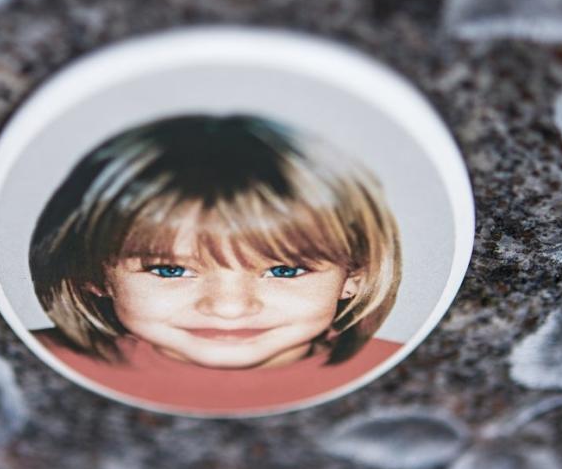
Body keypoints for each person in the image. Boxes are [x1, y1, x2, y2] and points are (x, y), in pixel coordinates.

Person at [27, 114, 403, 414]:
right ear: (94, 273)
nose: (229, 307)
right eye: (170, 270)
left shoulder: (401, 377)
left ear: (355, 274)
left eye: (285, 270)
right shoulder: (31, 367)